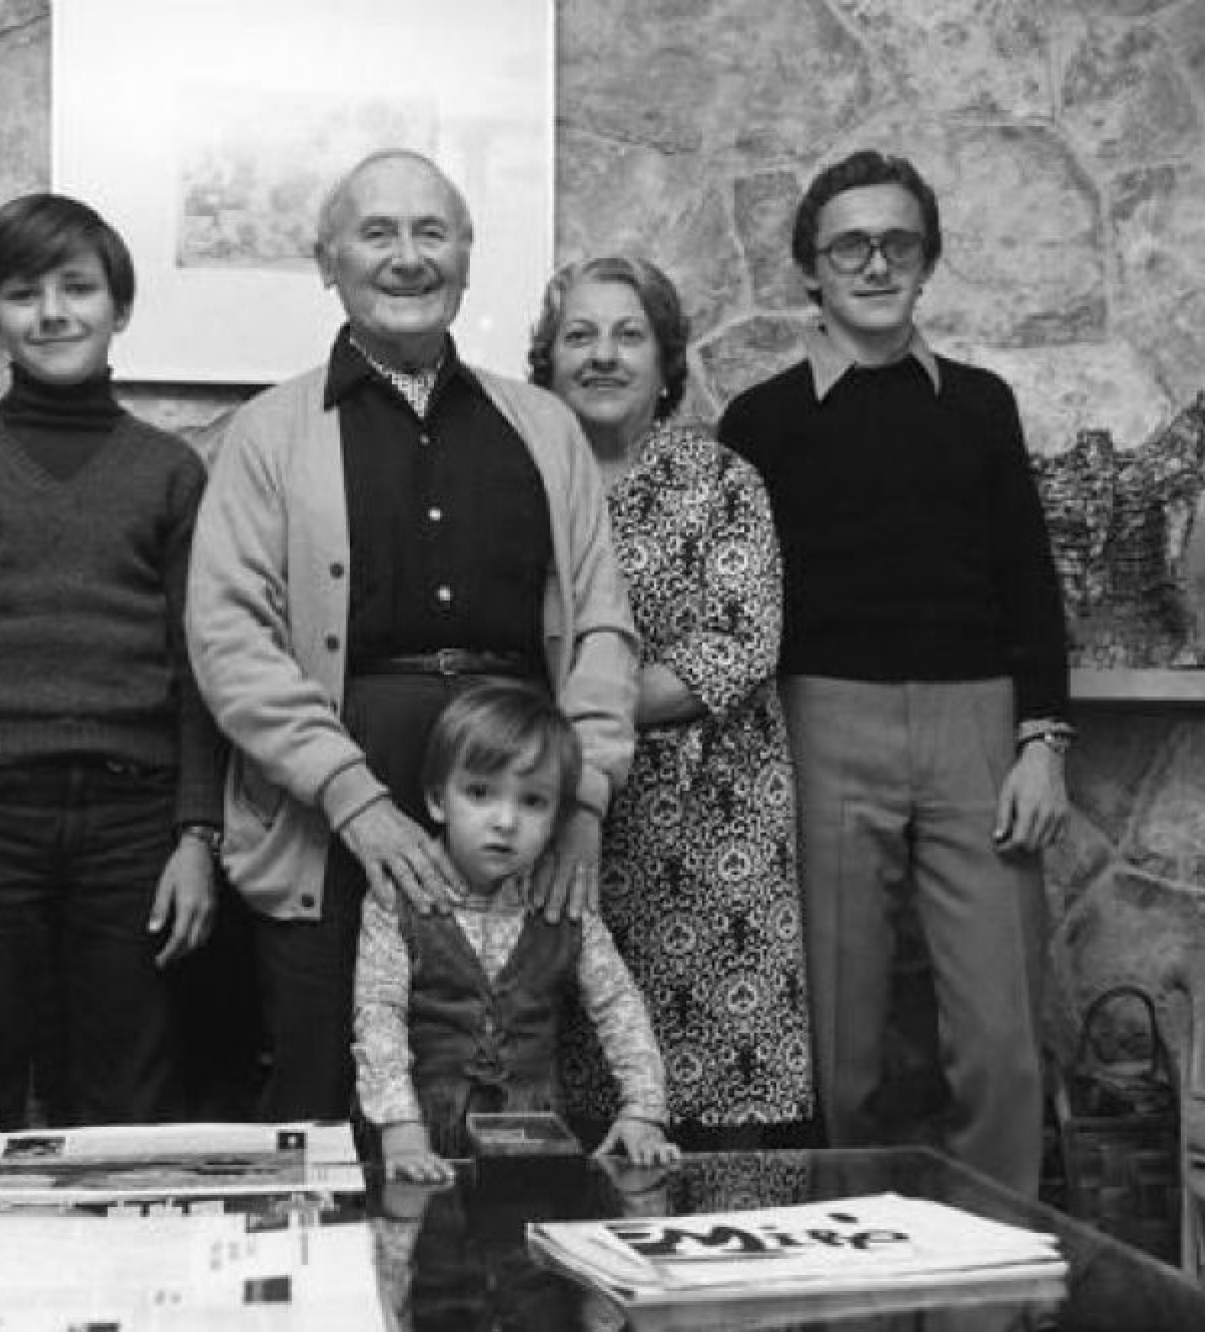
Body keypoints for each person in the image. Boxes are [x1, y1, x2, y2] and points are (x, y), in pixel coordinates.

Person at [186, 150, 640, 1123]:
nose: (407, 257)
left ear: (467, 258)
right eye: (377, 233)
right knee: (324, 1103)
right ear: (328, 262)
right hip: (326, 826)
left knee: (499, 1105)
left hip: (516, 813)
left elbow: (603, 623)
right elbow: (229, 636)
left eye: (431, 232)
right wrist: (353, 801)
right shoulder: (266, 433)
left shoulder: (545, 428)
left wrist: (584, 799)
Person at [717, 150, 1072, 1196]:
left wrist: (1043, 741)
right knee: (837, 1048)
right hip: (823, 725)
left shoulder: (982, 405)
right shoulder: (761, 422)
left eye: (898, 244)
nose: (875, 264)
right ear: (810, 270)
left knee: (1002, 1040)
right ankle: (850, 1255)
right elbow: (741, 607)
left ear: (928, 261)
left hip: (979, 729)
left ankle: (996, 1263)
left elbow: (1029, 580)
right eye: (850, 247)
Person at [0, 193, 223, 1209]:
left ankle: (124, 1288)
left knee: (128, 1104)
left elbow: (198, 668)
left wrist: (197, 833)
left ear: (120, 307)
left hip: (135, 823)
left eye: (77, 288)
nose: (53, 313)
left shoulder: (170, 471)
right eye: (24, 294)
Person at [527, 256, 813, 1148]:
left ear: (665, 363)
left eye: (629, 335)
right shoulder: (520, 483)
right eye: (579, 336)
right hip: (551, 813)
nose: (602, 355)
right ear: (547, 362)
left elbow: (739, 645)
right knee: (578, 1092)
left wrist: (580, 716)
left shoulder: (722, 481)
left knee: (724, 1109)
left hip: (712, 832)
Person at [352, 682, 678, 1181]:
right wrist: (399, 1126)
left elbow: (619, 1006)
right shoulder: (397, 897)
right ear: (437, 799)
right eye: (480, 793)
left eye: (532, 801)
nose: (505, 821)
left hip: (534, 1142)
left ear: (558, 817)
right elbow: (379, 1015)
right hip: (417, 1137)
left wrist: (644, 1111)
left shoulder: (561, 902)